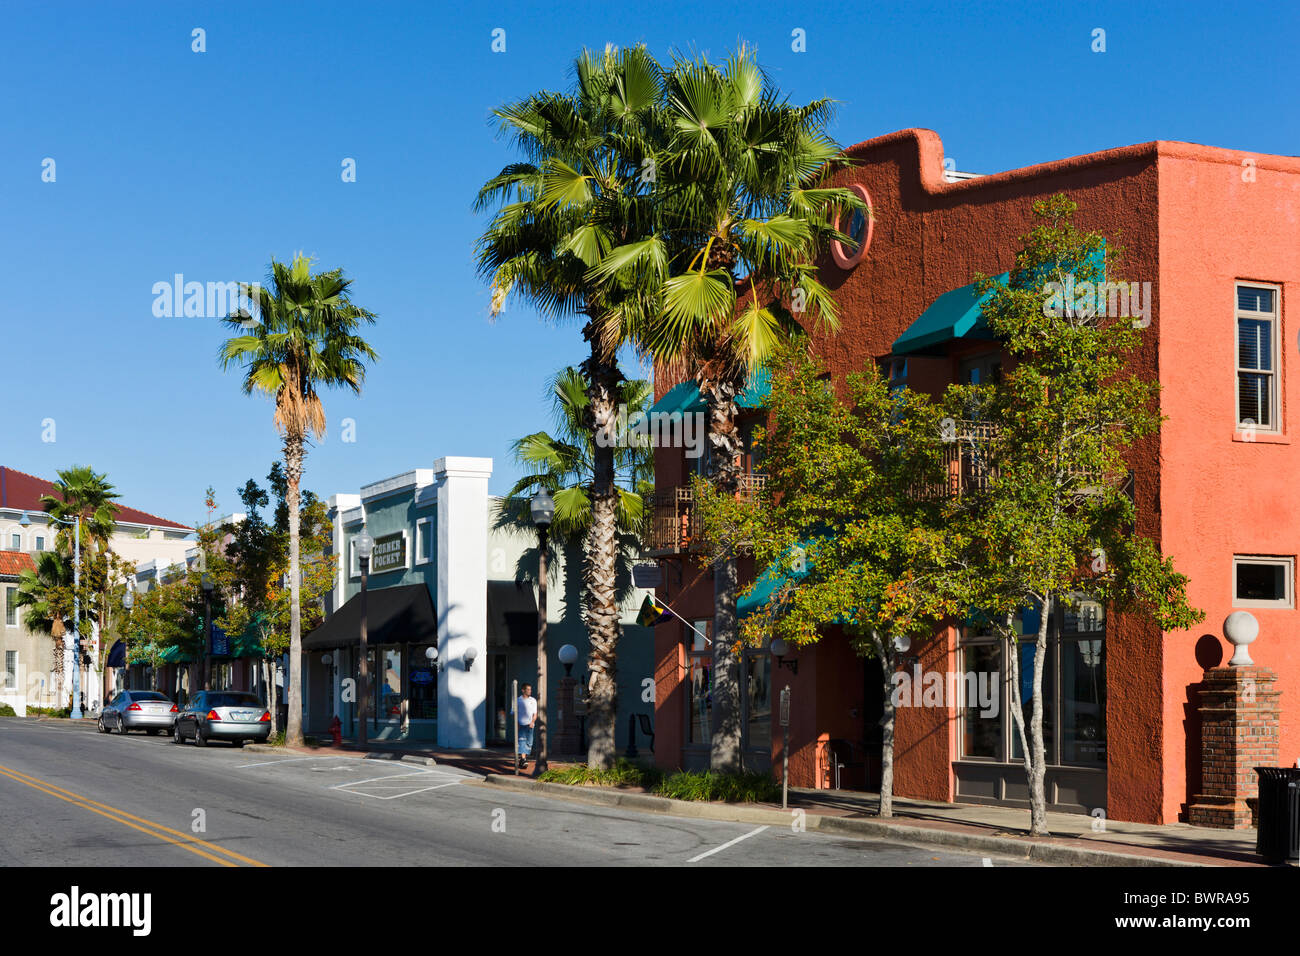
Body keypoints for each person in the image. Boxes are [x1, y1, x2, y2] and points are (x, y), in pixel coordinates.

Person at [516, 683, 537, 769]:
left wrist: (532, 722)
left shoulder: (533, 700)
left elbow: (535, 714)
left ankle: (522, 759)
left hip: (530, 725)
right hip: (521, 724)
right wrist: (517, 725)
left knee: (529, 743)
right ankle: (523, 759)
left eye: (530, 689)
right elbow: (515, 714)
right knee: (522, 742)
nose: (530, 691)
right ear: (523, 690)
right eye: (528, 689)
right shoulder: (517, 700)